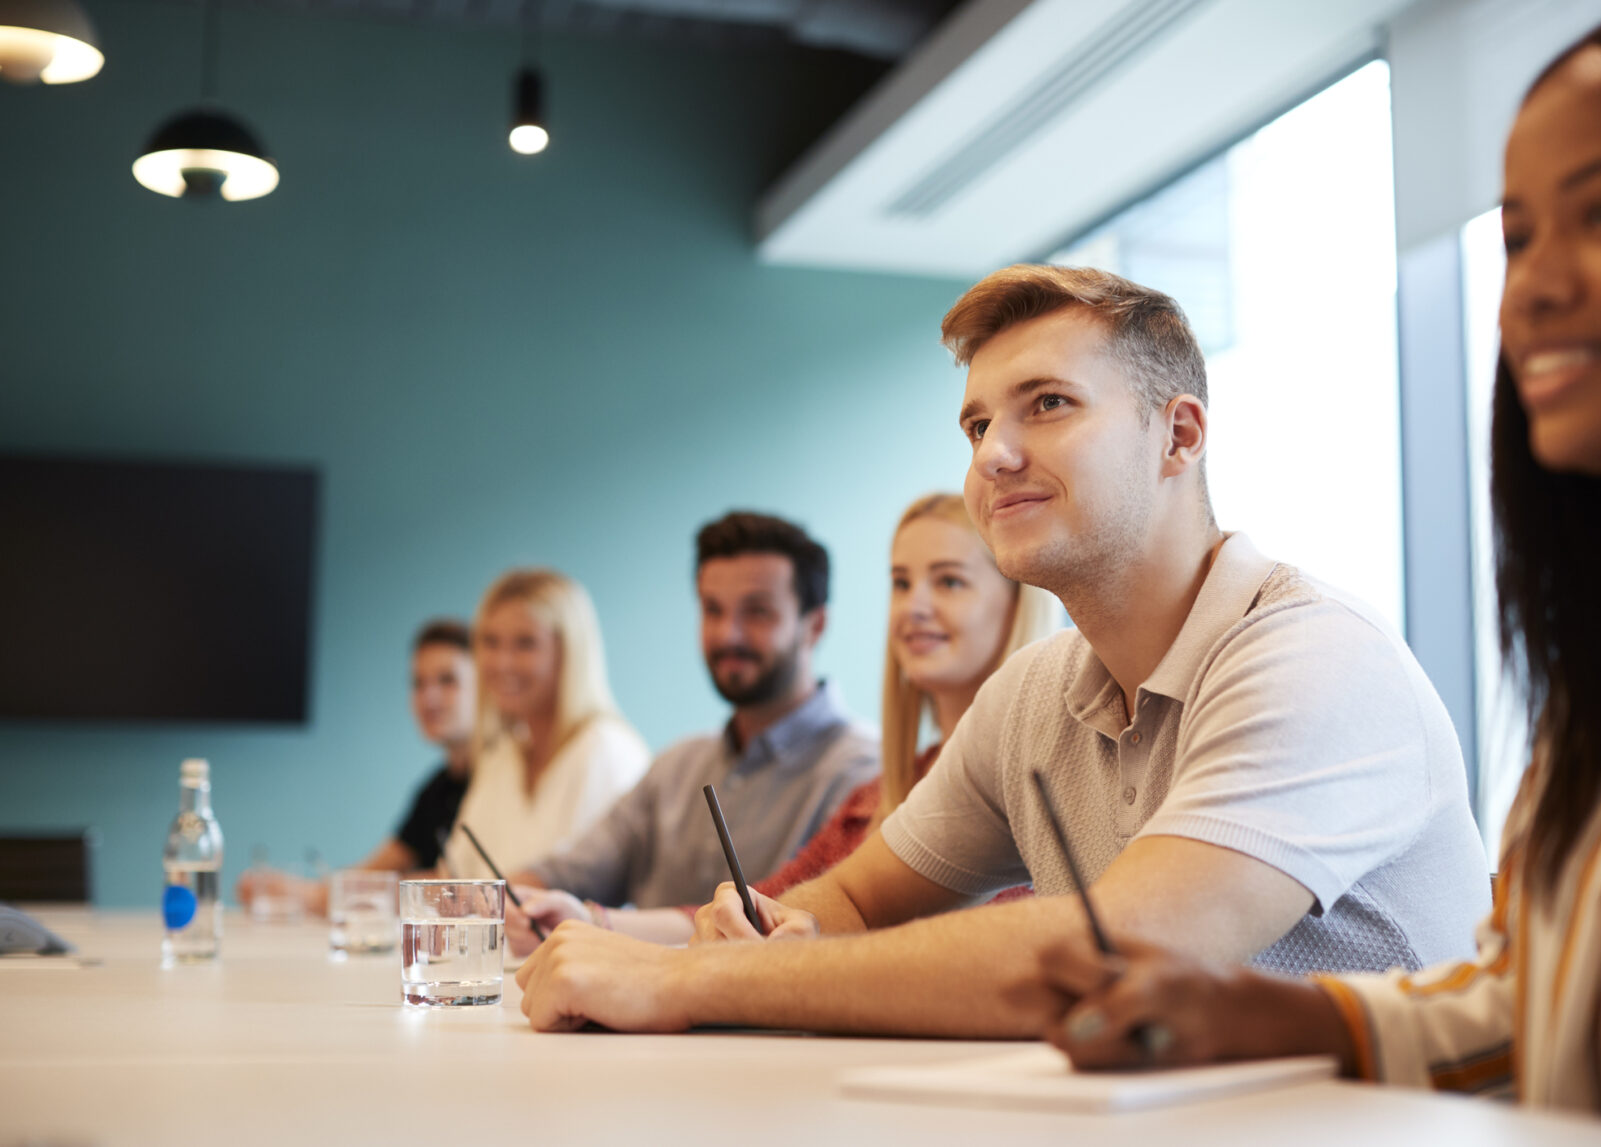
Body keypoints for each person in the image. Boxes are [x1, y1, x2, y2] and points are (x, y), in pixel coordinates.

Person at [1029, 6, 1601, 1128]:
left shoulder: (1309, 651)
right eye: (1519, 235)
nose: (1534, 286)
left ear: (1179, 437)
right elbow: (1531, 999)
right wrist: (1274, 1016)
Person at [512, 266, 1491, 1037]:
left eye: (1048, 405)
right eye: (978, 422)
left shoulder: (1313, 659)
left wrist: (710, 976)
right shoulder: (1035, 689)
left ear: (1178, 435)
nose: (991, 454)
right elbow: (856, 891)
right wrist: (776, 930)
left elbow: (1115, 947)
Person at [504, 495, 1061, 950]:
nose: (913, 606)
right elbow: (770, 904)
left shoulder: (1016, 782)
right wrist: (594, 923)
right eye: (900, 583)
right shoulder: (874, 795)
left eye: (948, 581)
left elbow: (980, 953)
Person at [501, 513, 879, 947]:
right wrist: (509, 900)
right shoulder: (678, 765)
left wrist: (596, 921)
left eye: (757, 612)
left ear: (815, 625)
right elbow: (573, 870)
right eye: (712, 609)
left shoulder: (863, 773)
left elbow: (802, 916)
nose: (727, 634)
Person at [238, 618, 477, 915]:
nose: (429, 697)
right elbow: (375, 871)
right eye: (418, 683)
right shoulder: (436, 789)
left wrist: (313, 895)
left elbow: (458, 885)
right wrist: (299, 890)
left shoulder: (498, 784)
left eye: (447, 680)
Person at [440, 569, 650, 878]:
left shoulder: (606, 751)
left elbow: (600, 889)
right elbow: (453, 879)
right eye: (491, 642)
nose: (503, 663)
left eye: (525, 644)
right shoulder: (502, 756)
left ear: (569, 653)